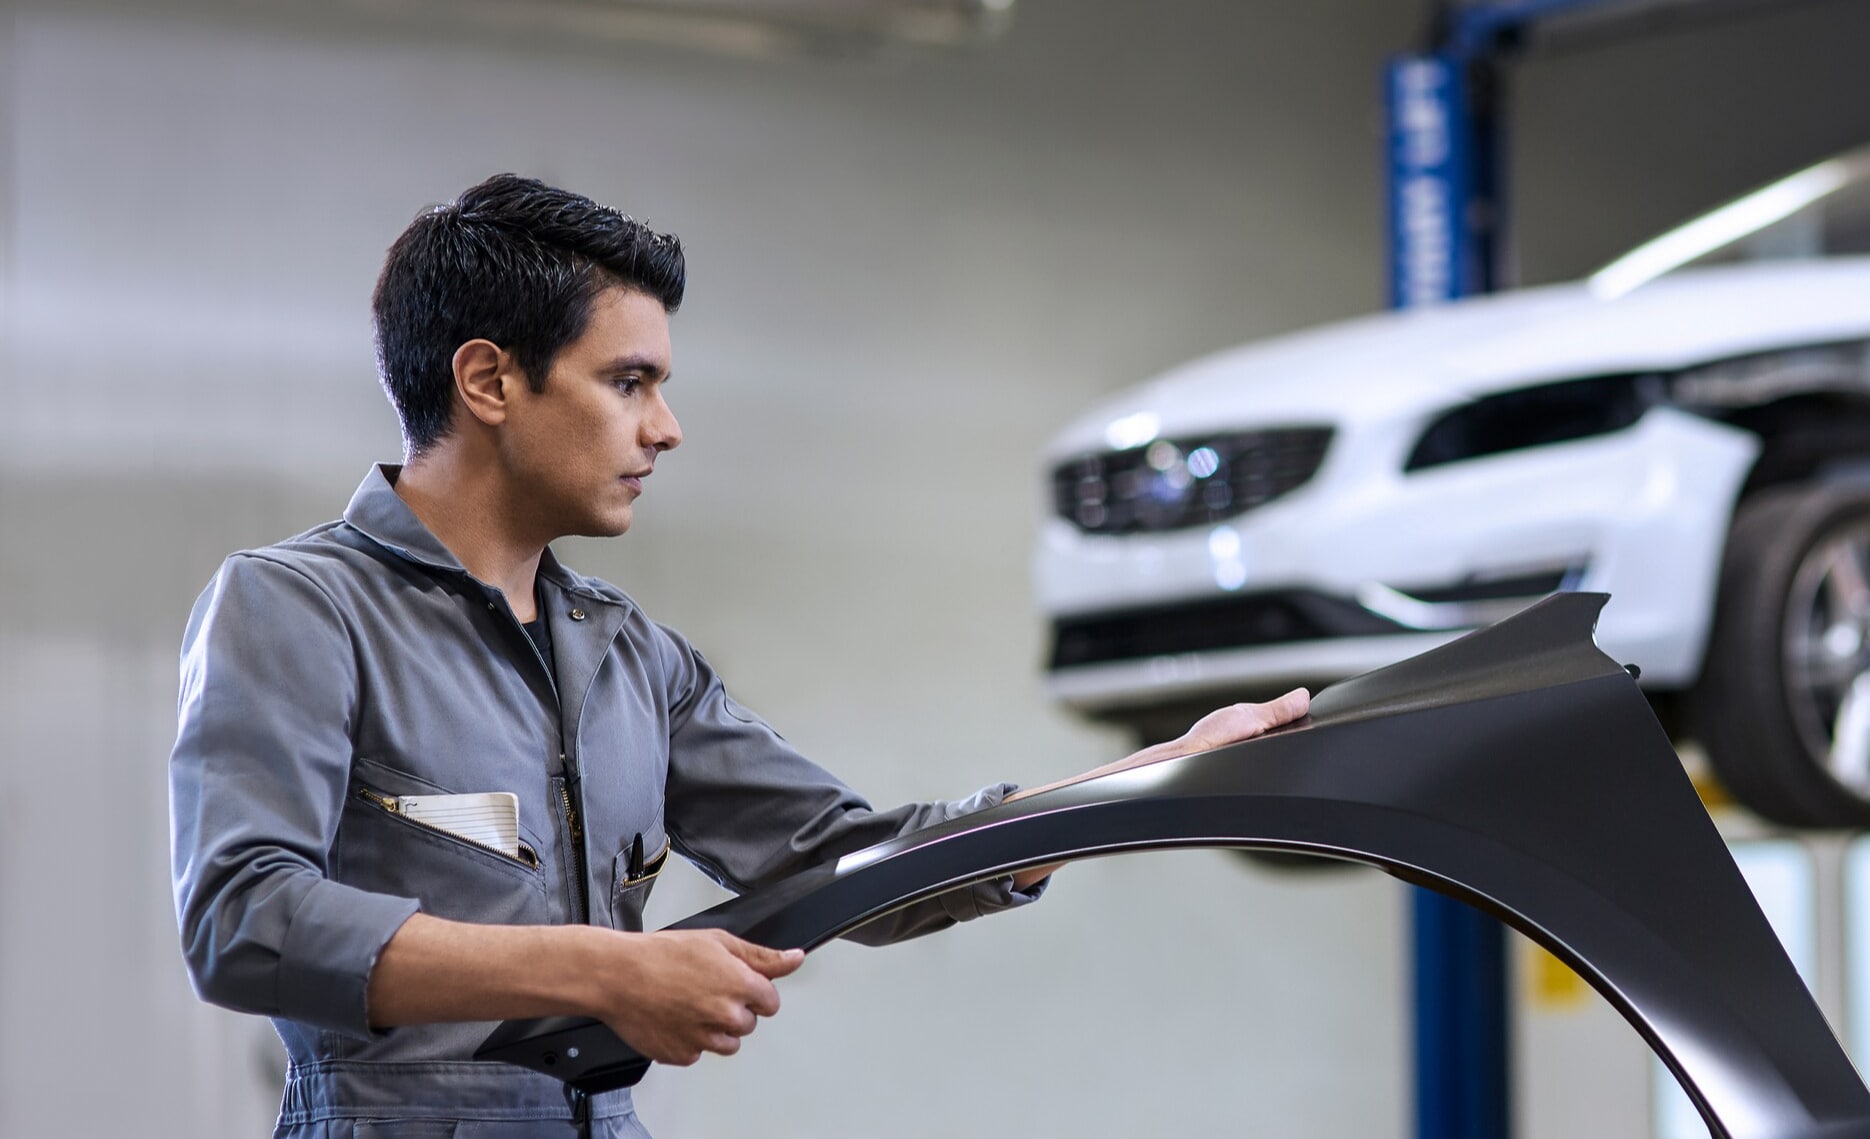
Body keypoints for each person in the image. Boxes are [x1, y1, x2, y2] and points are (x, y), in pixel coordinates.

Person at [168, 174, 1311, 1139]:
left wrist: (1145, 781)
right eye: (629, 381)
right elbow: (245, 919)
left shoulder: (629, 656)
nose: (665, 427)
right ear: (489, 381)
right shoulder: (294, 607)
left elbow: (850, 857)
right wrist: (608, 971)